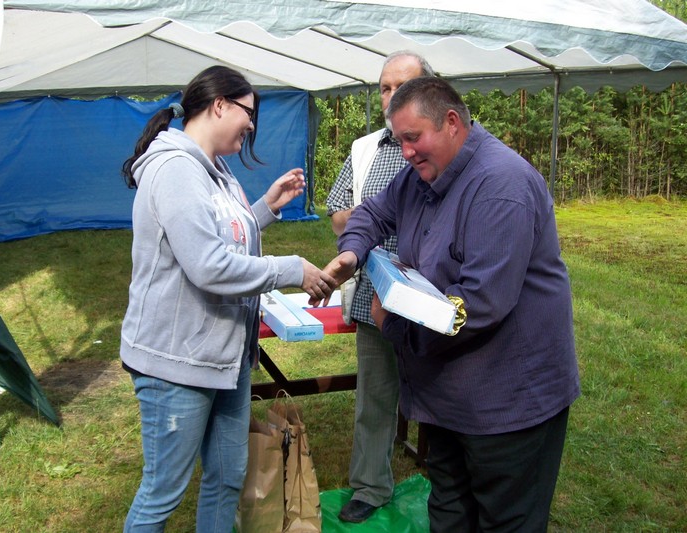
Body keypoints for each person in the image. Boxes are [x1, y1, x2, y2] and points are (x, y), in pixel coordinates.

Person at [315, 76, 580, 532]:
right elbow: (374, 211)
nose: (406, 153)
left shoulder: (502, 186)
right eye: (399, 141)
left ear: (452, 122)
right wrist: (352, 251)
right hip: (447, 395)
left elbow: (474, 307)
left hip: (507, 405)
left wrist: (390, 323)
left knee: (505, 520)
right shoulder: (422, 173)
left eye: (413, 138)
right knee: (450, 511)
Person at [119, 65, 335, 532]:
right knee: (162, 493)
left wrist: (265, 209)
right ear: (219, 105)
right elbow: (209, 265)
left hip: (225, 360)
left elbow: (223, 238)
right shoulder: (175, 169)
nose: (252, 125)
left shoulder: (217, 170)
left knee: (227, 478)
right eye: (248, 112)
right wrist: (291, 268)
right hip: (175, 363)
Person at [326, 51, 435, 524]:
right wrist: (378, 210)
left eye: (401, 86)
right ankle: (370, 487)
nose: (391, 96)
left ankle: (449, 482)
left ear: (428, 90)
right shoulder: (364, 147)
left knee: (444, 392)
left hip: (433, 298)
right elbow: (336, 214)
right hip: (375, 296)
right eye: (385, 88)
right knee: (375, 398)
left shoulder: (442, 143)